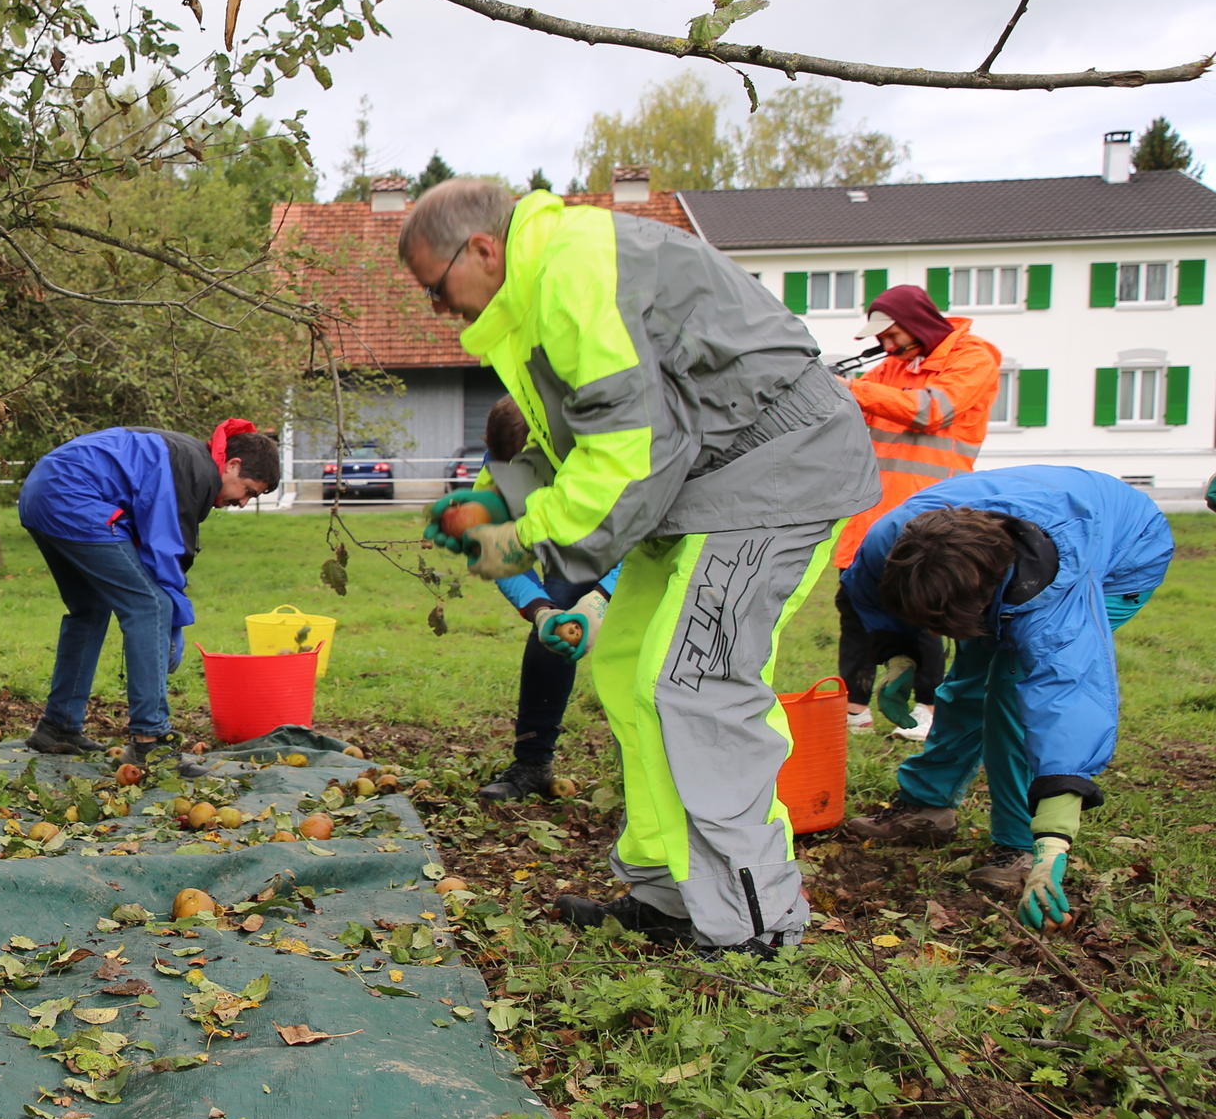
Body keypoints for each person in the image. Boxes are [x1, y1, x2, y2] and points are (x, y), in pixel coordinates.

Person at [402, 177, 876, 955]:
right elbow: (584, 434)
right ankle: (672, 891)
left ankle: (756, 923)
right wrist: (500, 499)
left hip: (775, 471)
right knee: (626, 664)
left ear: (480, 249)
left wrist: (520, 542)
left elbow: (630, 453)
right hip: (705, 484)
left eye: (435, 287)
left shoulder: (573, 272)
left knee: (697, 681)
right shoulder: (533, 288)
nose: (437, 308)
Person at [840, 467, 1172, 924]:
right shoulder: (893, 543)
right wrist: (902, 660)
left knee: (1012, 697)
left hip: (1124, 549)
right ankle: (927, 805)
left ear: (989, 594)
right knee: (966, 683)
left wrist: (1053, 839)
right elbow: (868, 594)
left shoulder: (1055, 604)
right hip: (1020, 537)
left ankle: (1019, 845)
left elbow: (1066, 697)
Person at [16, 418, 280, 776]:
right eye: (248, 490)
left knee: (90, 609)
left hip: (43, 493)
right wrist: (172, 621)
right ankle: (149, 743)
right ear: (232, 465)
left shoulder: (187, 459)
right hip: (75, 499)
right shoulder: (196, 472)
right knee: (149, 606)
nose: (244, 502)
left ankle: (58, 726)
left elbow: (150, 542)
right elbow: (165, 554)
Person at [832, 284, 1002, 738]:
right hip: (872, 511)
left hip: (931, 514)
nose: (883, 345)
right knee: (853, 606)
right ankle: (854, 711)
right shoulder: (892, 367)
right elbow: (855, 408)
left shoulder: (974, 358)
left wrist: (850, 391)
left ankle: (930, 710)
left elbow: (931, 411)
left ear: (918, 322)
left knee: (925, 609)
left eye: (890, 334)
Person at [477, 396, 622, 803]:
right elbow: (496, 548)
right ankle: (532, 763)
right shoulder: (498, 469)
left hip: (648, 540)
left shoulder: (611, 453)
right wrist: (542, 612)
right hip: (574, 541)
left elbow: (652, 535)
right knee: (551, 636)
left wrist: (602, 598)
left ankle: (653, 767)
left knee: (651, 659)